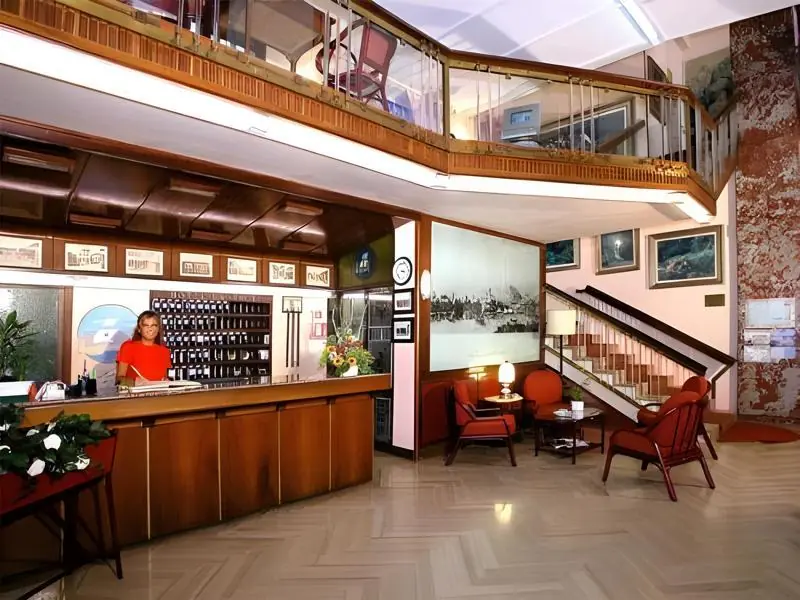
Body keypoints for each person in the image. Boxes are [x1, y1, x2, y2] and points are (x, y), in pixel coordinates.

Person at [116, 310, 172, 387]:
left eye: (154, 325)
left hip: (159, 393)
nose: (150, 329)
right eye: (146, 325)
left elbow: (164, 377)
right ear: (139, 329)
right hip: (135, 394)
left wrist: (166, 381)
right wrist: (135, 382)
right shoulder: (128, 347)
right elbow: (118, 380)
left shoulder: (164, 351)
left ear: (158, 329)